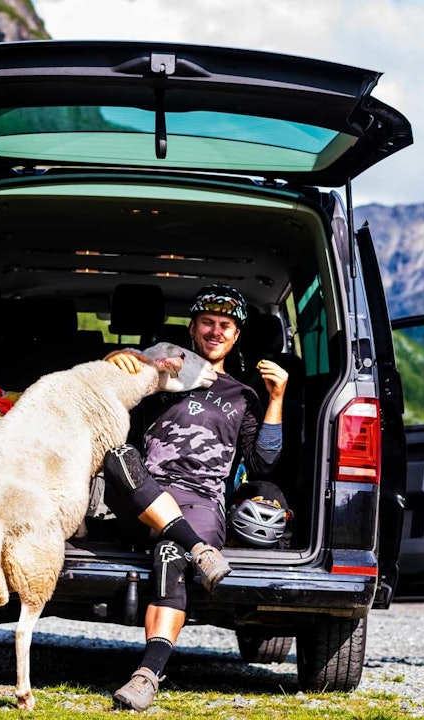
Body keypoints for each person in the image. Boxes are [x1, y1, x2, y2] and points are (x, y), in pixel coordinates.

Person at [102, 283, 288, 711]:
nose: (216, 331)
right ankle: (199, 549)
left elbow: (263, 465)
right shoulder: (161, 371)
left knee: (170, 556)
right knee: (117, 455)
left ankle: (146, 676)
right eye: (208, 322)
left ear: (237, 335)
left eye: (226, 325)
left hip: (200, 502)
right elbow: (108, 387)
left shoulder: (243, 395)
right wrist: (120, 360)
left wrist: (276, 398)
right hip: (142, 497)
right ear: (192, 327)